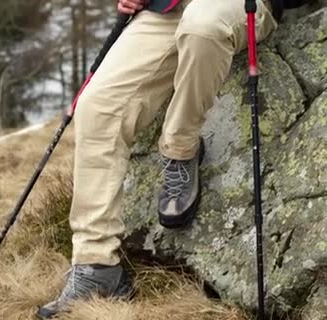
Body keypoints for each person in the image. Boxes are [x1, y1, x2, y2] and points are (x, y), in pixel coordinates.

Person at [38, 0, 309, 318]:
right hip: (165, 8)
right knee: (97, 105)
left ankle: (181, 148)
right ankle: (96, 265)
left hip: (233, 7)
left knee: (203, 27)